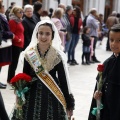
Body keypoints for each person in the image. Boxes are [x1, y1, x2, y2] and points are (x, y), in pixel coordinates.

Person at [11, 20, 75, 120]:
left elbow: (63, 80)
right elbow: (25, 76)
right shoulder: (29, 54)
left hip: (52, 94)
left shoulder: (57, 56)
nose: (43, 37)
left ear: (52, 36)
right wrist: (20, 93)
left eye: (47, 34)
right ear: (37, 34)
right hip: (31, 94)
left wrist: (69, 103)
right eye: (41, 33)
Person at [88, 23, 120, 120]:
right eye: (111, 40)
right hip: (107, 111)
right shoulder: (107, 63)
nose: (114, 44)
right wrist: (98, 94)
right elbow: (100, 85)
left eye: (119, 41)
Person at [7, 6, 24, 83]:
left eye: (22, 12)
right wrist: (18, 39)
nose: (22, 13)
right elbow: (11, 33)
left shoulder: (19, 20)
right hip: (15, 44)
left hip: (19, 44)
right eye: (20, 12)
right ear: (15, 13)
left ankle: (11, 78)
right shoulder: (13, 21)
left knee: (15, 62)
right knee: (13, 63)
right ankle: (10, 79)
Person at [0, 1, 14, 88]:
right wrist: (11, 35)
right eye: (2, 6)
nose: (4, 8)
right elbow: (1, 32)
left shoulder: (2, 16)